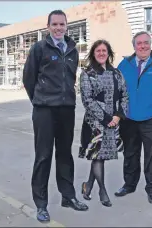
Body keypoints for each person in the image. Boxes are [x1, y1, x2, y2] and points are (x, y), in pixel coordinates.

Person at [22, 10, 88, 222]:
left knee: (65, 155)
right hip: (44, 110)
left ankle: (68, 196)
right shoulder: (39, 48)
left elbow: (70, 78)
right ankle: (41, 204)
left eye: (62, 24)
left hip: (66, 109)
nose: (59, 28)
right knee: (43, 156)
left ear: (67, 26)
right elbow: (28, 78)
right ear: (48, 26)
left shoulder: (72, 49)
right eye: (55, 24)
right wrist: (40, 100)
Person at [115, 31, 152, 204]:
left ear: (150, 44)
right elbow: (118, 92)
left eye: (146, 42)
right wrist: (119, 114)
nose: (143, 46)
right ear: (134, 46)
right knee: (130, 154)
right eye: (139, 43)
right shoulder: (124, 64)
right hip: (129, 119)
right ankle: (129, 185)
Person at [78, 39, 128, 207]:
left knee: (100, 157)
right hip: (95, 124)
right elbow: (87, 100)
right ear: (93, 53)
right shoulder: (87, 74)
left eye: (104, 51)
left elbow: (124, 96)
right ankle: (102, 190)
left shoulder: (117, 74)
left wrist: (118, 116)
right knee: (98, 156)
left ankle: (88, 186)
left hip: (114, 122)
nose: (101, 53)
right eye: (98, 50)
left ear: (108, 54)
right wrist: (106, 119)